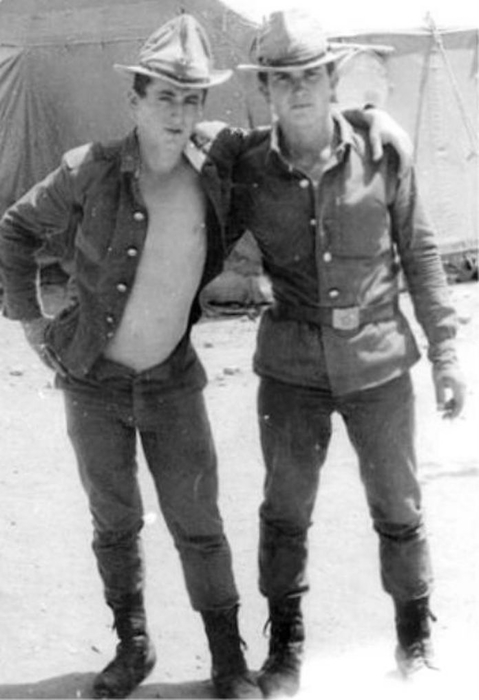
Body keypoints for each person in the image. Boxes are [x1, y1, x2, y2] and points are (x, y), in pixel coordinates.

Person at [0, 10, 413, 700]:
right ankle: (133, 646)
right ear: (134, 99)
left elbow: (296, 132)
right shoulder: (89, 170)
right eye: (164, 96)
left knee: (198, 524)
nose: (178, 113)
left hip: (171, 383)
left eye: (191, 99)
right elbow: (13, 231)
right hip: (93, 380)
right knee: (114, 521)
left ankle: (227, 659)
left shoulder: (219, 167)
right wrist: (31, 324)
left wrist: (367, 121)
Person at [212, 9, 466, 697]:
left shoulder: (382, 151)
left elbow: (419, 254)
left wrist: (445, 353)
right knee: (284, 509)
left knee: (398, 505)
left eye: (310, 76)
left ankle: (414, 638)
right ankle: (285, 648)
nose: (298, 90)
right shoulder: (246, 168)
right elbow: (202, 233)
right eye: (282, 79)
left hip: (379, 363)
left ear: (331, 79)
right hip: (291, 371)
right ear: (265, 88)